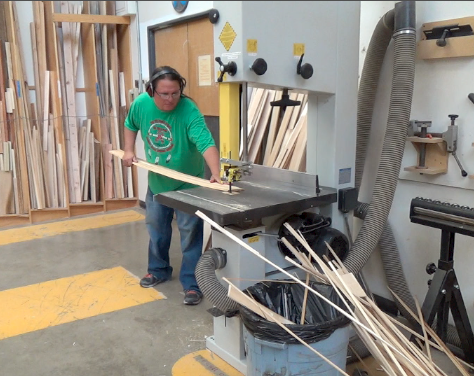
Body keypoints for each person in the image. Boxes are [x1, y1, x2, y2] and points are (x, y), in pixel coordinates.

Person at [122, 65, 222, 305]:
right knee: (157, 229)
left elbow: (205, 142)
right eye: (164, 94)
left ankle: (192, 284)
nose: (170, 99)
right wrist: (127, 150)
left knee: (190, 235)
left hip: (188, 185)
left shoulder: (189, 110)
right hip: (158, 182)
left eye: (175, 93)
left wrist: (216, 173)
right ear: (151, 91)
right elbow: (130, 124)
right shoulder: (141, 104)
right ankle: (158, 269)